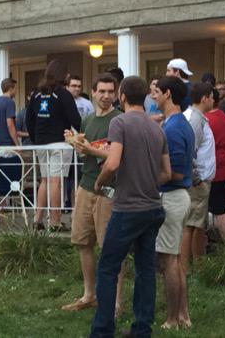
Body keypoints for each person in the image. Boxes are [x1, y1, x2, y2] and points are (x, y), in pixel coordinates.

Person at [88, 75, 170, 338]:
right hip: (153, 207)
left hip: (127, 208)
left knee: (108, 267)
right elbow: (167, 172)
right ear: (145, 97)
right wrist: (145, 178)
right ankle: (141, 329)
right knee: (146, 270)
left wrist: (99, 184)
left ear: (121, 97)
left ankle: (102, 331)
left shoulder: (119, 122)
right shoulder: (157, 128)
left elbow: (112, 163)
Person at [61, 75, 121, 313]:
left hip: (109, 189)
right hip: (85, 186)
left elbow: (116, 156)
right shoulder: (87, 120)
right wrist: (76, 143)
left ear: (116, 94)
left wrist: (90, 150)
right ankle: (89, 294)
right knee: (83, 242)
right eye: (102, 91)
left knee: (111, 246)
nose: (106, 96)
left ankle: (116, 302)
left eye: (110, 91)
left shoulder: (119, 121)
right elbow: (87, 153)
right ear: (93, 93)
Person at [153, 76, 195, 330]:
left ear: (168, 94)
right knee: (176, 260)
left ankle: (172, 319)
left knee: (168, 261)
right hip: (177, 197)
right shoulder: (176, 123)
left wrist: (148, 177)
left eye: (156, 91)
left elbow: (176, 172)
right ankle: (183, 315)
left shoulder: (174, 128)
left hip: (172, 197)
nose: (153, 96)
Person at [26, 60, 83, 230]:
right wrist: (80, 135)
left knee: (44, 180)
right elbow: (75, 119)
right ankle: (56, 221)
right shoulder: (63, 94)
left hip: (41, 144)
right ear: (62, 75)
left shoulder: (36, 94)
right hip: (60, 142)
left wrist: (36, 139)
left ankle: (38, 219)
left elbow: (29, 120)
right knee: (56, 182)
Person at [181, 82, 217, 269]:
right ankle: (184, 268)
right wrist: (196, 179)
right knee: (190, 225)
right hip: (196, 182)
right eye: (211, 97)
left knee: (197, 224)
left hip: (200, 181)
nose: (213, 100)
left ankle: (197, 263)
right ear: (204, 98)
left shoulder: (199, 118)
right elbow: (189, 151)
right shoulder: (195, 120)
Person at [206, 86, 225, 240]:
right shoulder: (222, 116)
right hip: (224, 167)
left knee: (219, 209)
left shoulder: (209, 119)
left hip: (217, 169)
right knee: (220, 207)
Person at [0, 78, 26, 201]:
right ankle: (12, 203)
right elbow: (10, 123)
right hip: (8, 144)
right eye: (15, 88)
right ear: (11, 88)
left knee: (0, 177)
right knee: (12, 178)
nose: (15, 91)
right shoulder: (9, 102)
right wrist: (17, 144)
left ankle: (1, 207)